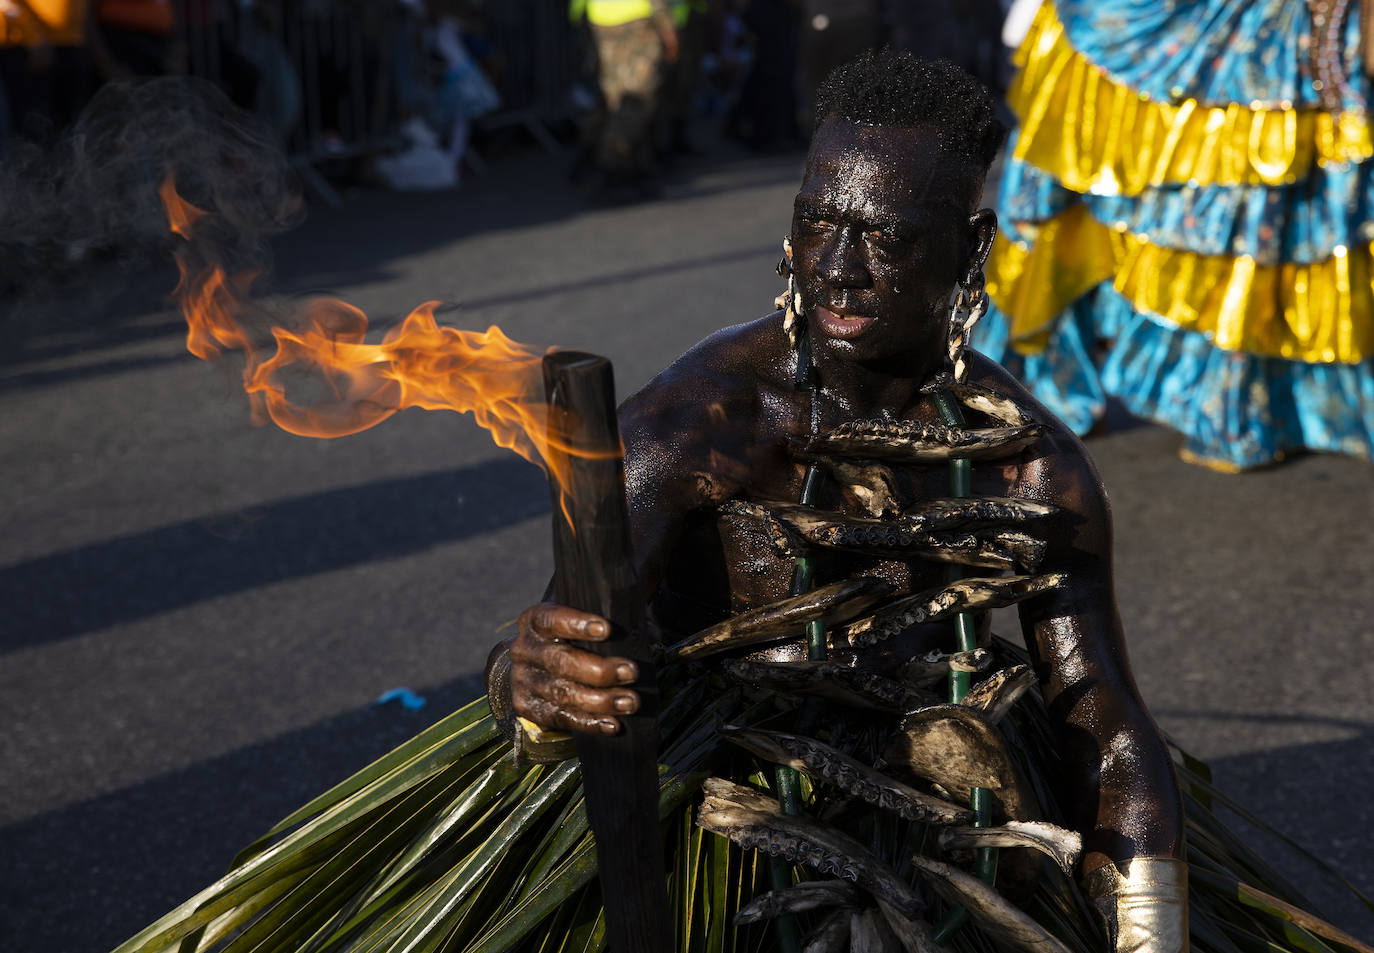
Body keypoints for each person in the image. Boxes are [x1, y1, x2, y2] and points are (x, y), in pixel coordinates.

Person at [493, 48, 1189, 951]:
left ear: (971, 245)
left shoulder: (1029, 463)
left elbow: (1103, 717)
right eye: (818, 224)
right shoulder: (698, 421)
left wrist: (1149, 924)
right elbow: (561, 640)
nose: (839, 269)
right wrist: (535, 682)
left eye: (886, 237)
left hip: (939, 802)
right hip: (714, 807)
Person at [979, 0, 1374, 471]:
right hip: (1143, 30)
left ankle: (1248, 399)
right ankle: (1046, 379)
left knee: (1261, 203)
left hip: (1282, 30)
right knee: (1239, 196)